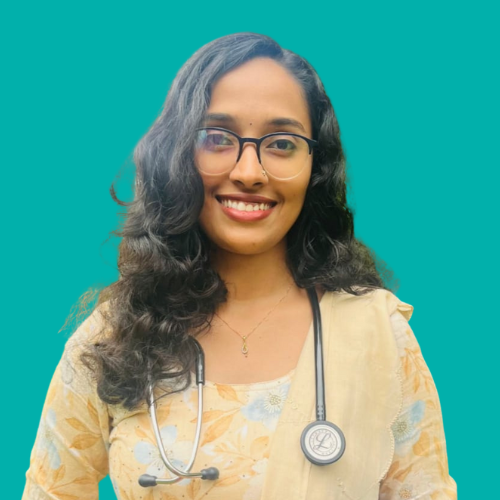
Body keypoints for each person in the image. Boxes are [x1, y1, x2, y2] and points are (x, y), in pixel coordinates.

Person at [22, 32, 457, 500]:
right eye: (216, 138)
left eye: (282, 143)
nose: (249, 172)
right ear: (177, 156)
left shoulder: (376, 335)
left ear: (316, 167)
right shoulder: (113, 338)